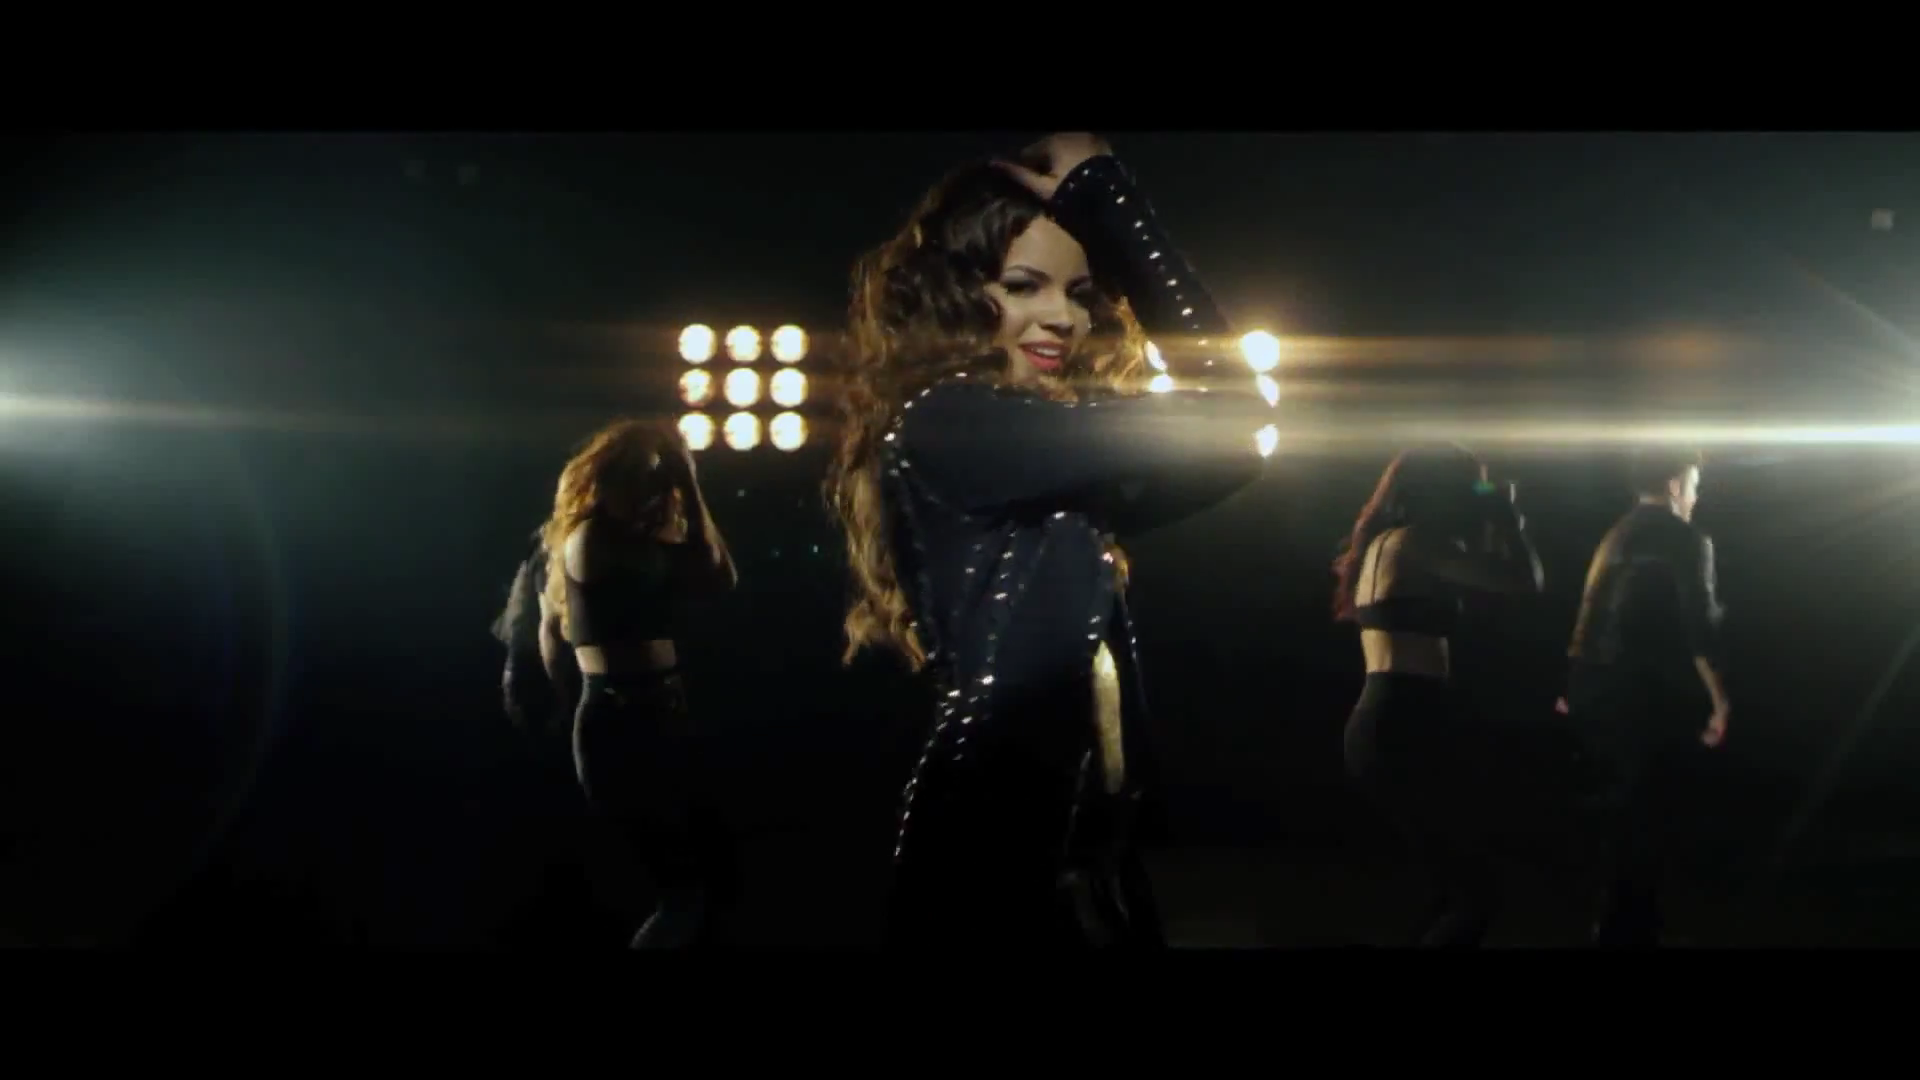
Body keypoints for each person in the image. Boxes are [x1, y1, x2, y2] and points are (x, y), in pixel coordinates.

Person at [827, 132, 1275, 948]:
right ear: (956, 294)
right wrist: (1108, 200)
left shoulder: (1039, 457)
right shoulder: (955, 421)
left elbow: (1238, 447)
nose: (1063, 318)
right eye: (1023, 286)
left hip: (1079, 856)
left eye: (1079, 292)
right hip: (992, 849)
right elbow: (1235, 411)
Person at [1331, 444, 1543, 947]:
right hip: (1404, 726)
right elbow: (1525, 582)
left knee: (1448, 890)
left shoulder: (1384, 544)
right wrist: (1509, 519)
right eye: (1472, 486)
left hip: (1383, 721)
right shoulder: (1419, 544)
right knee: (1476, 894)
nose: (1477, 496)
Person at [540, 418, 739, 948]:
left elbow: (721, 577)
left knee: (701, 886)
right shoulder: (592, 538)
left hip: (665, 711)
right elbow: (693, 568)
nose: (655, 489)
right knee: (679, 890)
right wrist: (679, 497)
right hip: (619, 719)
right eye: (646, 476)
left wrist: (690, 486)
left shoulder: (646, 537)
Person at [1565, 445, 1727, 948]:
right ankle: (1629, 931)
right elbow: (1700, 626)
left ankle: (1620, 926)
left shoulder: (1617, 533)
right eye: (1695, 485)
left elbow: (1590, 617)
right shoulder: (1684, 538)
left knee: (1625, 818)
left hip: (1595, 690)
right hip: (1638, 698)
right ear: (1675, 484)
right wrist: (1721, 701)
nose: (1697, 497)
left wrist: (1573, 687)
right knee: (1647, 819)